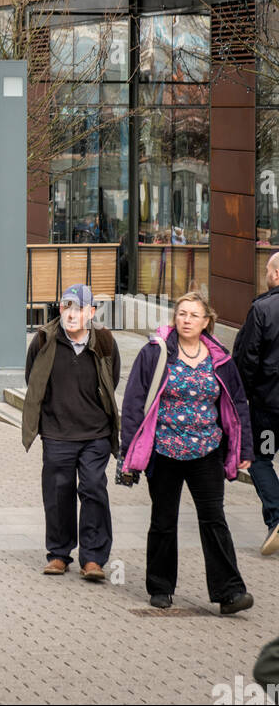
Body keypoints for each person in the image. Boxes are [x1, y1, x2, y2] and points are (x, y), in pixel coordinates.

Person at [121, 291, 255, 614]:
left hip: (207, 451)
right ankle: (160, 588)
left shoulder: (220, 358)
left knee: (214, 520)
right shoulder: (155, 353)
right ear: (174, 317)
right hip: (165, 451)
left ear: (207, 321)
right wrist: (129, 449)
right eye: (181, 313)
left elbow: (238, 405)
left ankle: (230, 592)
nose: (186, 320)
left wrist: (244, 447)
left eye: (194, 315)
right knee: (163, 520)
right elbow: (134, 401)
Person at [22, 284, 120, 582]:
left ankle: (93, 558)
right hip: (57, 432)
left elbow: (111, 380)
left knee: (93, 489)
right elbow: (33, 380)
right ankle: (58, 554)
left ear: (91, 312)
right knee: (57, 493)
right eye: (66, 306)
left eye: (78, 308)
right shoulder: (44, 339)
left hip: (95, 433)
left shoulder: (104, 341)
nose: (71, 313)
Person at [232, 251, 279, 555]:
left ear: (275, 274)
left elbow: (246, 359)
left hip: (269, 411)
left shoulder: (262, 309)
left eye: (267, 269)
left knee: (261, 459)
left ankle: (276, 515)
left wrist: (241, 401)